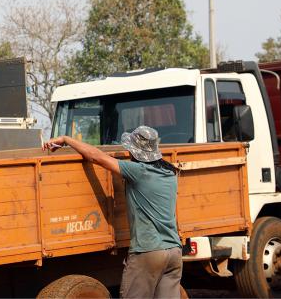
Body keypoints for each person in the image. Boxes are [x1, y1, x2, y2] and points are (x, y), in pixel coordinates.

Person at [44, 126, 182, 298]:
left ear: (134, 151)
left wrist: (66, 139)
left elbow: (96, 157)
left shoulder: (139, 172)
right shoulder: (169, 172)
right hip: (174, 252)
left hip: (148, 252)